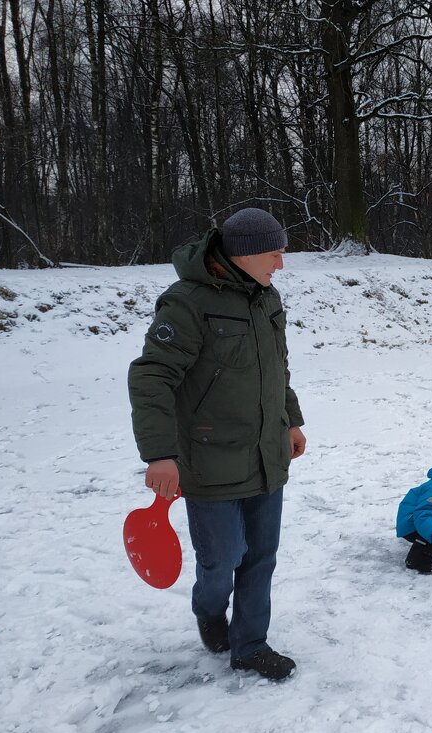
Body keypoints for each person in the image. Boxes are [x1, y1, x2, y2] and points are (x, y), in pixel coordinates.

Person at [128, 207, 306, 682]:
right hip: (209, 460)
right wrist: (160, 454)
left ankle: (250, 645)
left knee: (260, 558)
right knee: (222, 558)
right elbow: (152, 378)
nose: (280, 264)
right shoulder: (187, 303)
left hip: (267, 454)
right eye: (275, 253)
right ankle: (210, 610)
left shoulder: (267, 300)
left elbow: (276, 370)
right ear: (244, 253)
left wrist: (290, 421)